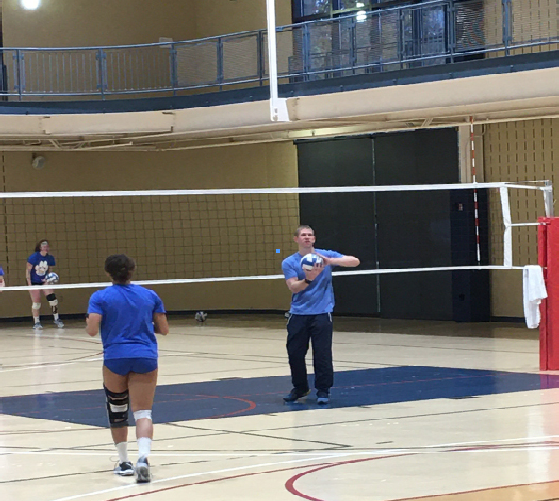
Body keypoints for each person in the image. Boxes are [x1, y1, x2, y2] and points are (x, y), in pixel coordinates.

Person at [86, 254, 169, 483]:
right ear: (132, 271)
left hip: (115, 357)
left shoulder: (100, 297)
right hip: (145, 357)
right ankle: (143, 458)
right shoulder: (149, 295)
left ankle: (123, 462)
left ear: (107, 272)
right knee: (143, 412)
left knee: (117, 410)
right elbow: (163, 328)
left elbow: (92, 329)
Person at [281, 225, 360, 405]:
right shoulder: (289, 262)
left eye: (310, 235)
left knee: (322, 353)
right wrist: (309, 278)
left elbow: (355, 261)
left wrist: (329, 261)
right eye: (303, 235)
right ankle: (300, 387)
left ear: (314, 239)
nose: (307, 238)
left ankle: (323, 390)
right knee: (295, 353)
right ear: (296, 239)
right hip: (299, 313)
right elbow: (293, 287)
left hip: (322, 313)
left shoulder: (325, 254)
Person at [26, 239, 64, 329]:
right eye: (44, 246)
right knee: (36, 303)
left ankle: (56, 318)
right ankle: (36, 322)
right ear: (40, 248)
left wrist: (48, 279)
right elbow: (27, 271)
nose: (46, 248)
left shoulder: (50, 258)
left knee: (53, 300)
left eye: (47, 246)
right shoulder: (33, 257)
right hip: (34, 281)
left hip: (44, 281)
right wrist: (29, 284)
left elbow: (50, 270)